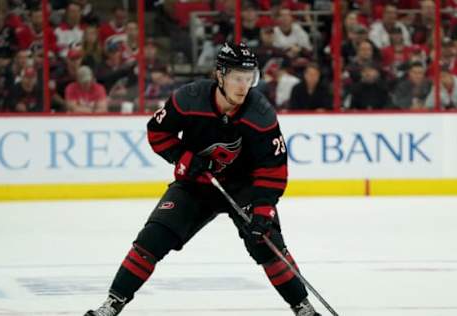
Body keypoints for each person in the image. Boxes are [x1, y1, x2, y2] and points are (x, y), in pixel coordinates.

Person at [85, 42, 321, 316]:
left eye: (249, 78)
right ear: (220, 75)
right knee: (152, 239)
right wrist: (184, 159)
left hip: (243, 187)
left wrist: (263, 211)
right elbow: (158, 133)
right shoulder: (189, 98)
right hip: (197, 183)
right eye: (237, 78)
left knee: (267, 244)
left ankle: (303, 307)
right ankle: (113, 303)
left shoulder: (260, 113)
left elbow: (273, 167)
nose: (244, 86)